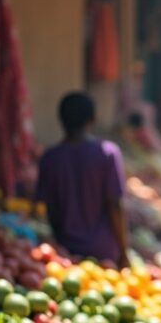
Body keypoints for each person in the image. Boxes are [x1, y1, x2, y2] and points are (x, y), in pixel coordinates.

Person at [35, 92, 129, 267]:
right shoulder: (108, 153)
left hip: (66, 252)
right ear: (92, 119)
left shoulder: (51, 158)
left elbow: (48, 207)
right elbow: (115, 204)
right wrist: (124, 252)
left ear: (61, 120)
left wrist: (59, 241)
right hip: (104, 252)